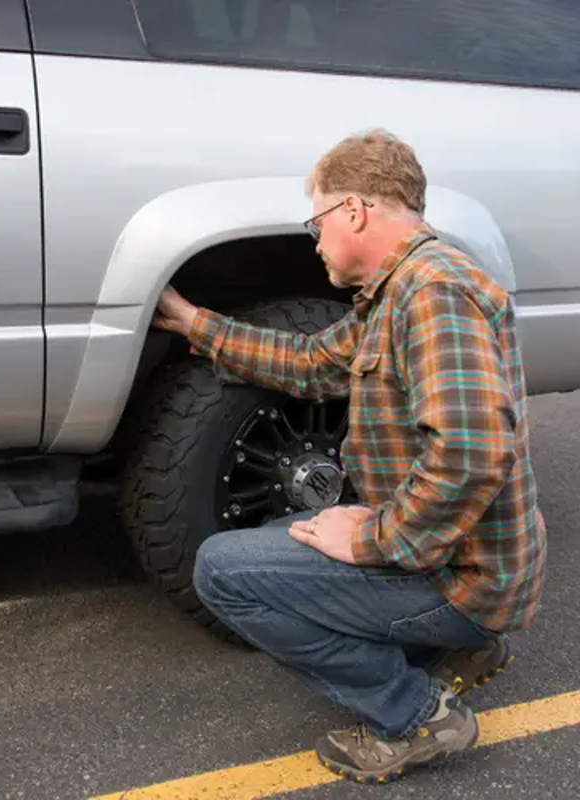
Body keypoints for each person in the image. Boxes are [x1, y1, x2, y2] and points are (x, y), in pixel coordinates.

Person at [151, 129, 546, 784]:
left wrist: (377, 540)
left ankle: (417, 715)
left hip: (464, 577)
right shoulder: (401, 291)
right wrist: (199, 325)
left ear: (355, 211)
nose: (315, 240)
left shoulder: (431, 295)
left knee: (223, 569)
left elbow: (473, 451)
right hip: (466, 560)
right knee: (291, 537)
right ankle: (464, 648)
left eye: (317, 221)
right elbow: (310, 364)